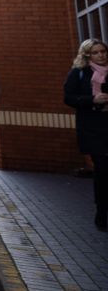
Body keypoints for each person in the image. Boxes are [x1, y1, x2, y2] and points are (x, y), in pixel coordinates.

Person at [64, 38, 108, 231]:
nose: (101, 55)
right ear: (87, 55)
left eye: (103, 51)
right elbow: (68, 98)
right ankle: (102, 212)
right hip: (93, 129)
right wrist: (92, 99)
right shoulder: (79, 73)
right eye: (96, 52)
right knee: (103, 170)